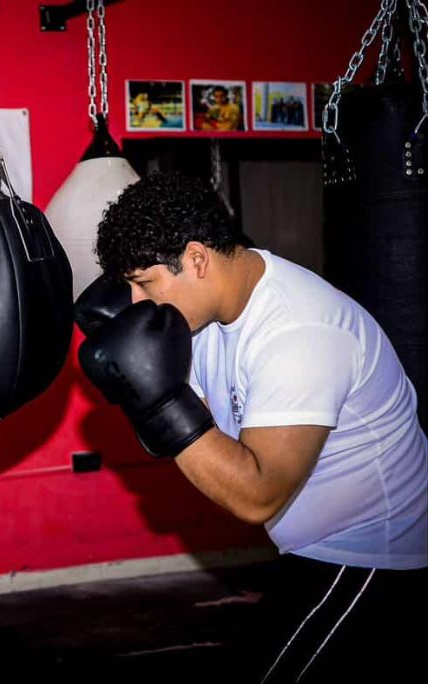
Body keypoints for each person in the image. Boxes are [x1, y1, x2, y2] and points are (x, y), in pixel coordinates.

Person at [75, 172, 426, 682]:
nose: (134, 302)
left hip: (375, 557)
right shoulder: (200, 313)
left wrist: (158, 400)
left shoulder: (299, 332)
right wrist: (147, 392)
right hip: (313, 552)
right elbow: (188, 435)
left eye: (144, 283)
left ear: (196, 259)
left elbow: (257, 495)